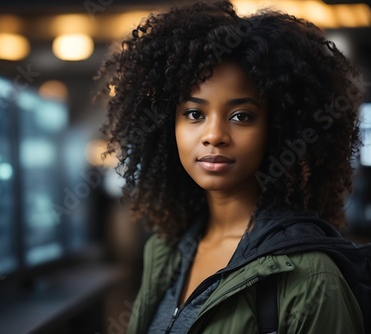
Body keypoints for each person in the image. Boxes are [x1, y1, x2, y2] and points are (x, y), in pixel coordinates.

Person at [96, 1, 369, 333]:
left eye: (241, 116)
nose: (214, 136)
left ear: (278, 129)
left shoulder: (311, 278)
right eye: (195, 114)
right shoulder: (165, 250)